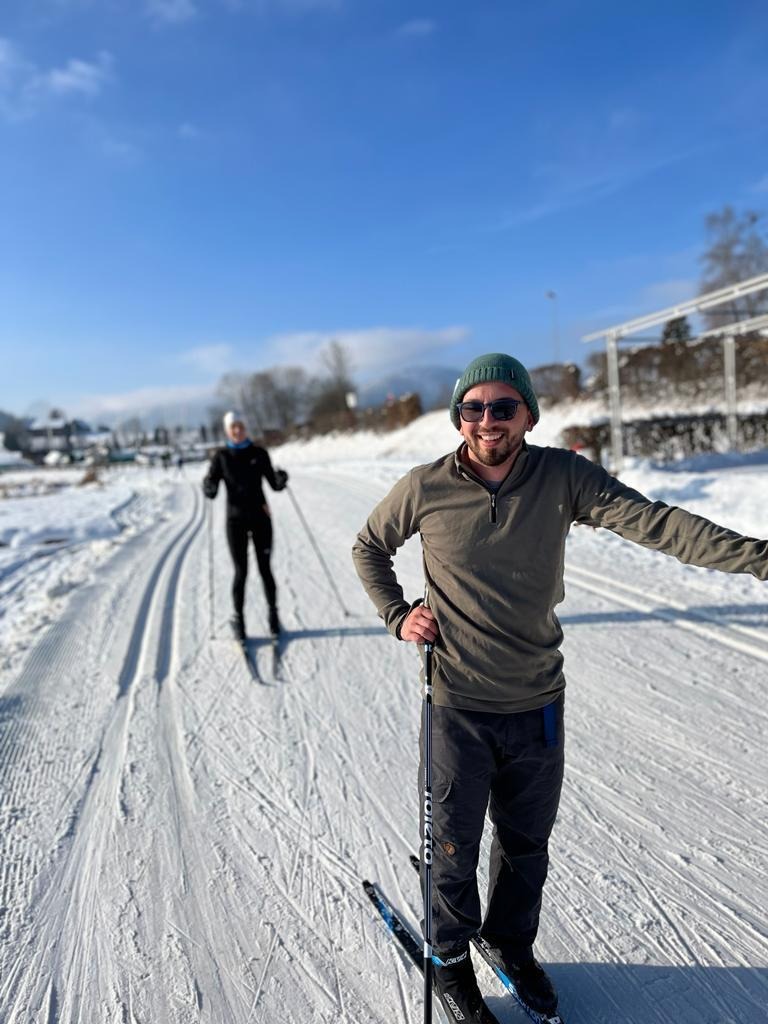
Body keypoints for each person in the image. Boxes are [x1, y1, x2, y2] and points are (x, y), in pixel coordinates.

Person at [351, 353, 768, 1023]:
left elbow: (658, 524)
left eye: (503, 407)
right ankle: (451, 961)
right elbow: (369, 545)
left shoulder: (564, 477)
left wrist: (761, 558)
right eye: (473, 409)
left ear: (529, 414)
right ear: (459, 419)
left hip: (538, 700)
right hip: (457, 703)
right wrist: (399, 616)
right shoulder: (424, 486)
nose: (487, 420)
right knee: (452, 846)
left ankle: (510, 943)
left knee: (525, 846)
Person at [203, 410, 288, 639]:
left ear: (245, 428)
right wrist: (208, 486)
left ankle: (273, 615)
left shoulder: (259, 453)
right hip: (235, 521)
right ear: (227, 431)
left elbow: (274, 484)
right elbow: (211, 488)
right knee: (241, 572)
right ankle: (239, 621)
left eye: (240, 426)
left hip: (261, 518)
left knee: (265, 569)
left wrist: (281, 479)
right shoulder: (221, 457)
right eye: (233, 427)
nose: (237, 430)